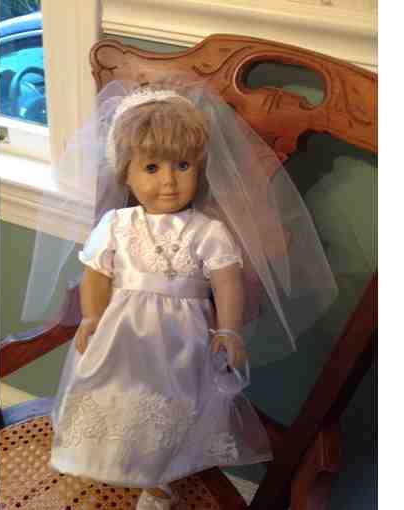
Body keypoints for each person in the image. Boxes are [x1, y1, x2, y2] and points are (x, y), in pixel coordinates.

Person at [22, 79, 338, 510]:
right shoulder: (117, 224)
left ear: (199, 167)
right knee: (114, 395)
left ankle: (157, 477)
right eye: (152, 168)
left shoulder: (208, 231)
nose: (169, 181)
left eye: (183, 165)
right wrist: (92, 316)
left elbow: (226, 281)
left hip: (182, 341)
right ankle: (106, 462)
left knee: (172, 405)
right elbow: (96, 273)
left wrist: (229, 330)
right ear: (126, 172)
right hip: (121, 336)